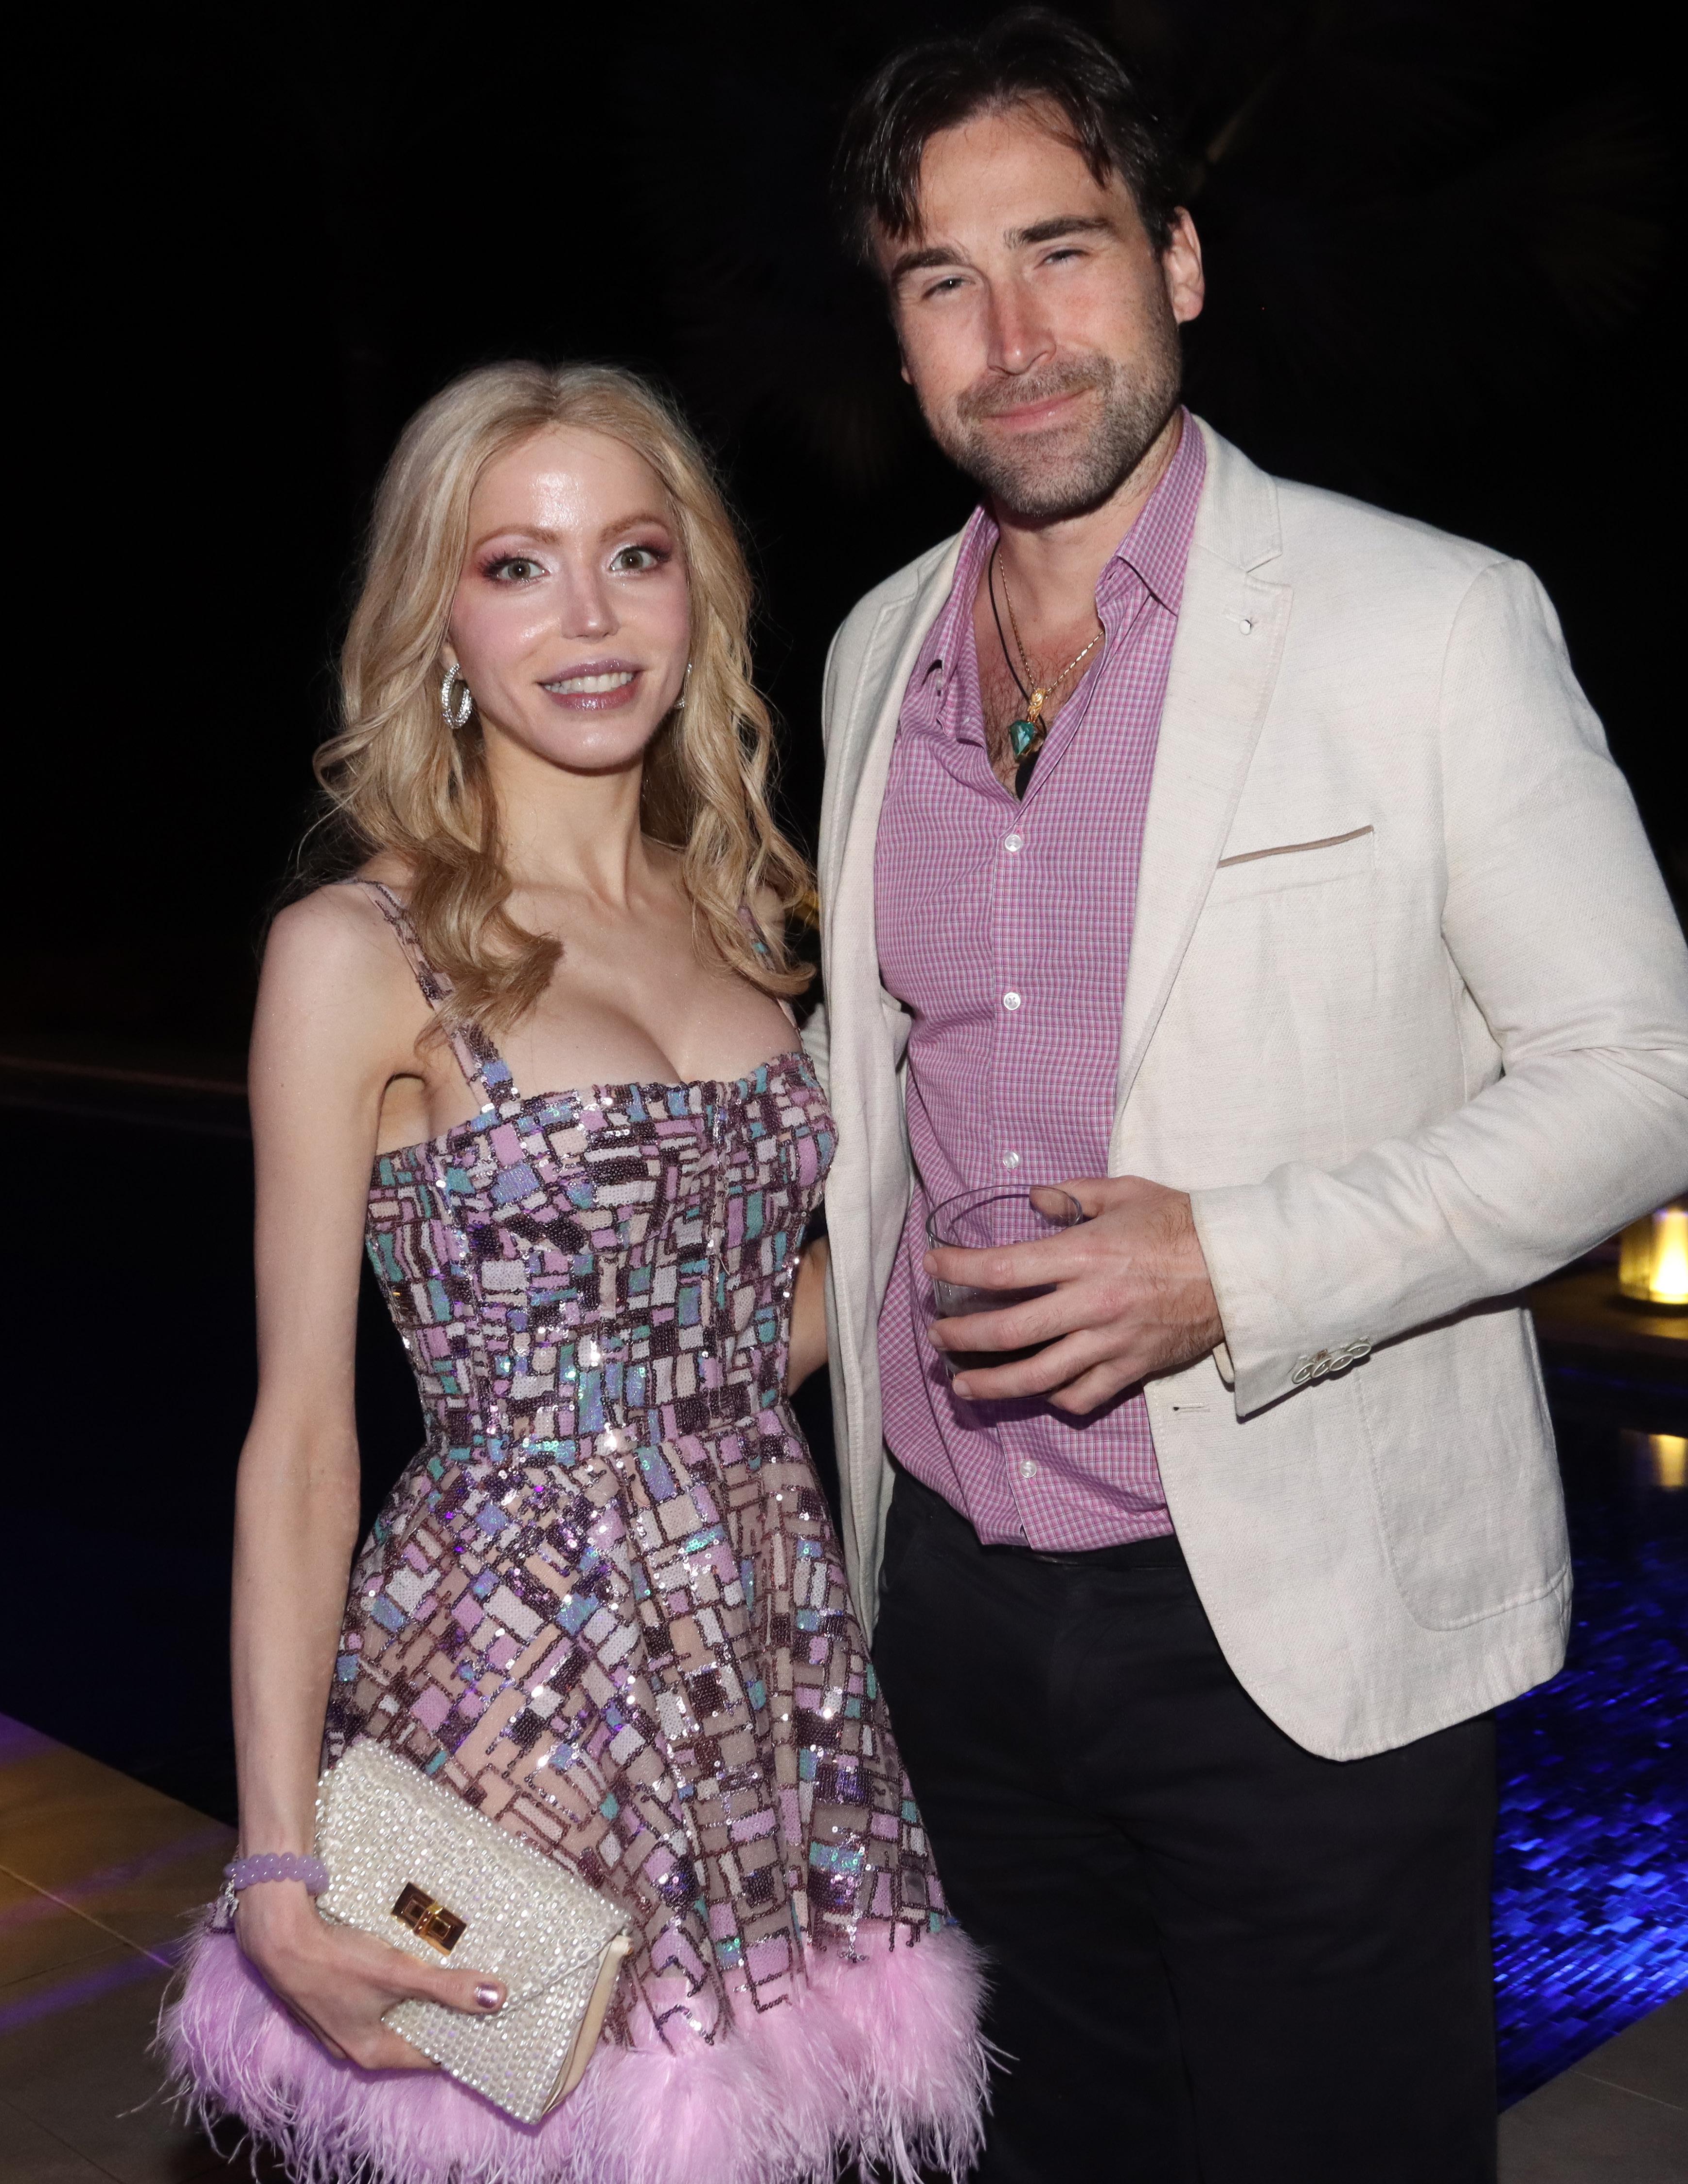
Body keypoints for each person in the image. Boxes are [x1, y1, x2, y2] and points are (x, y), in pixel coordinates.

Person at [808, 12, 1688, 2182]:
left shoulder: (1428, 623)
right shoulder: (867, 655)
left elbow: (1644, 1079)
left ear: (1178, 261)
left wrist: (1238, 1263)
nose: (1016, 338)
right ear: (899, 338)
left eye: (1063, 250)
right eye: (944, 281)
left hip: (1295, 1614)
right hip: (952, 1612)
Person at [163, 361, 986, 2184]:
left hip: (760, 1652)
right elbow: (300, 1436)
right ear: (442, 623)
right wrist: (279, 1862)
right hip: (511, 1668)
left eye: (634, 554)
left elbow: (732, 1345)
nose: (590, 617)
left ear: (699, 593)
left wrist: (941, 1226)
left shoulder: (750, 912)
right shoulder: (360, 946)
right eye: (517, 566)